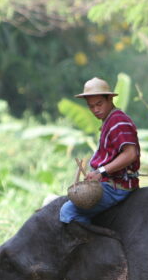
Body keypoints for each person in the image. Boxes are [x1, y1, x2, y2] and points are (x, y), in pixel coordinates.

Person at [60, 77, 140, 224]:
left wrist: (100, 171)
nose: (96, 110)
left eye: (99, 104)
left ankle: (95, 245)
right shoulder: (109, 120)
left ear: (110, 98)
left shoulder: (118, 120)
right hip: (109, 183)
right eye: (91, 106)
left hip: (117, 186)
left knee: (68, 211)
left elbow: (130, 154)